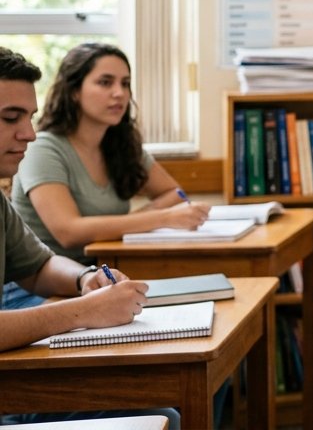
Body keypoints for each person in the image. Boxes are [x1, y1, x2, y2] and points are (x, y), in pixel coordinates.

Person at [5, 43, 209, 309]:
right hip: (38, 289)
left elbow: (176, 194)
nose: (119, 93)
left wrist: (133, 220)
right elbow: (69, 231)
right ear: (74, 90)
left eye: (125, 84)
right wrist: (163, 218)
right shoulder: (42, 148)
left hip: (94, 276)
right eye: (105, 82)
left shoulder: (121, 146)